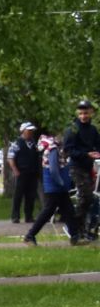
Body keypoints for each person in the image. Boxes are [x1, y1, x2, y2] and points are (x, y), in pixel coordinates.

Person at [25, 129, 80, 246]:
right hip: (55, 187)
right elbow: (54, 169)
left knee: (68, 210)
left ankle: (75, 236)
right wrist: (61, 182)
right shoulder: (53, 149)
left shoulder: (54, 148)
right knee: (49, 212)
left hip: (57, 187)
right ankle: (30, 236)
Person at [64, 99, 100, 234]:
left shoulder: (93, 130)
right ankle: (73, 226)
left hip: (88, 167)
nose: (83, 116)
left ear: (90, 113)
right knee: (86, 196)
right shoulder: (72, 129)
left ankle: (83, 228)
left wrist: (96, 153)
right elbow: (68, 150)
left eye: (86, 113)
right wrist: (86, 154)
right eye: (81, 113)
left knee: (90, 199)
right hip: (76, 167)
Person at [7, 123, 40, 226]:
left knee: (31, 195)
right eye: (28, 130)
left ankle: (29, 216)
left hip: (33, 173)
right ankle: (15, 216)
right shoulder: (16, 143)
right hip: (21, 172)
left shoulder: (34, 143)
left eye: (31, 131)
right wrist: (15, 170)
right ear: (23, 131)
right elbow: (10, 158)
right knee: (18, 195)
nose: (30, 133)